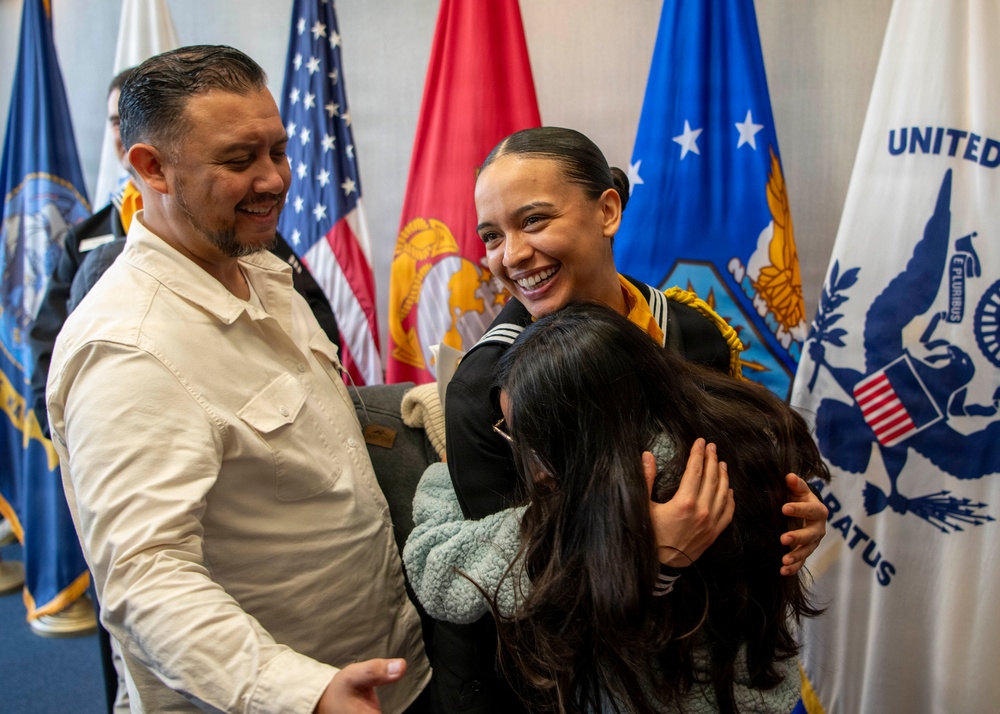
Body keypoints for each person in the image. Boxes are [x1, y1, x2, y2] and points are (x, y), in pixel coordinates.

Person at [46, 45, 428, 713]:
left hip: (382, 665)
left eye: (277, 151)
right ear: (150, 168)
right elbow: (148, 579)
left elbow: (298, 434)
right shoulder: (129, 350)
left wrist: (412, 408)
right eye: (238, 160)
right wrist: (302, 694)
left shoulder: (260, 270)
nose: (275, 179)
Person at [404, 127, 829, 712]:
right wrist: (637, 546)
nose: (512, 255)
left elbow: (738, 467)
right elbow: (519, 586)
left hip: (723, 659)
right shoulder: (487, 385)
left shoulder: (691, 329)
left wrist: (786, 518)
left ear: (607, 209)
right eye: (491, 236)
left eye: (534, 221)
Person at [491, 302, 828, 712]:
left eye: (530, 442)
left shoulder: (643, 493)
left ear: (591, 434)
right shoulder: (742, 435)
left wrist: (647, 566)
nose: (537, 473)